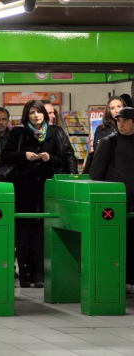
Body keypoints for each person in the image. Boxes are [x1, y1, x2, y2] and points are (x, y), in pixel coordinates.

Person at [1, 100, 63, 289]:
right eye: (32, 113)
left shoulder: (53, 134)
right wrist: (24, 155)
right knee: (22, 233)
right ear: (26, 115)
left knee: (40, 233)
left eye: (39, 112)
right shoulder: (18, 133)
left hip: (44, 190)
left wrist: (49, 158)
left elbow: (61, 159)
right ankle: (25, 274)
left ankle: (39, 273)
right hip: (23, 189)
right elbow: (5, 156)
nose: (36, 116)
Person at [89, 107, 134, 295]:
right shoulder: (109, 142)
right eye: (118, 121)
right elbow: (95, 173)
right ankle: (118, 279)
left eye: (125, 120)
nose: (120, 124)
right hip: (116, 204)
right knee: (116, 243)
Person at [43, 101, 78, 174]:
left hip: (57, 175)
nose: (53, 116)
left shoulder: (58, 131)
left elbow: (69, 154)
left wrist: (72, 173)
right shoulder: (27, 133)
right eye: (49, 113)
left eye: (53, 112)